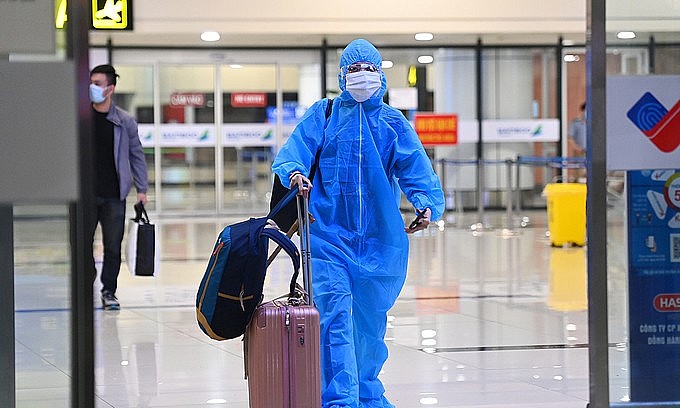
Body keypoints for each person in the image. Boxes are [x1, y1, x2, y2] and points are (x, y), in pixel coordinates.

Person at [272, 39, 445, 408]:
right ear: (341, 74)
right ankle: (339, 399)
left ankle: (365, 391)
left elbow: (416, 169)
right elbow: (293, 154)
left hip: (380, 243)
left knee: (369, 326)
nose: (362, 76)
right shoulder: (325, 113)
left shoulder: (393, 122)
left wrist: (426, 204)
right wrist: (296, 174)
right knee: (334, 317)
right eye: (354, 69)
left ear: (380, 76)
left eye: (369, 69)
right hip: (327, 237)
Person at [89, 64, 148, 310]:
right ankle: (85, 287)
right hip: (85, 195)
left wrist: (142, 189)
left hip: (114, 195)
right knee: (81, 245)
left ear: (110, 89)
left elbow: (137, 155)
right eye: (90, 82)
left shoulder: (124, 121)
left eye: (97, 83)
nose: (91, 87)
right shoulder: (81, 118)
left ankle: (109, 291)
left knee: (112, 247)